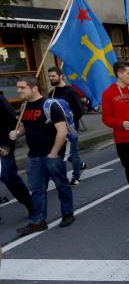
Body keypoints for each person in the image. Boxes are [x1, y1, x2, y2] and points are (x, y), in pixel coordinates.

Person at [12, 77, 75, 236]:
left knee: (61, 185)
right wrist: (17, 133)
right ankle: (38, 221)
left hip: (52, 155)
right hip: (33, 156)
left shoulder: (50, 106)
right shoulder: (25, 106)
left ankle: (68, 214)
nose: (19, 90)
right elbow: (25, 127)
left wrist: (53, 153)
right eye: (18, 88)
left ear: (34, 88)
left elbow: (62, 131)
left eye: (22, 87)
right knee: (37, 190)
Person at [102, 61, 129, 210]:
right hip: (122, 139)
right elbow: (106, 118)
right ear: (119, 74)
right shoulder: (108, 92)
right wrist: (122, 123)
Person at [47, 67, 86, 185]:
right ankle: (81, 165)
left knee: (73, 152)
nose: (51, 78)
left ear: (61, 75)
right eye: (49, 77)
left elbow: (79, 111)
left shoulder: (70, 91)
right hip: (57, 130)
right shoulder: (52, 93)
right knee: (63, 153)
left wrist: (70, 123)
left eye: (53, 76)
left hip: (71, 128)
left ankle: (76, 176)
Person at [0, 93, 33, 220]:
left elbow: (13, 122)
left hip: (2, 147)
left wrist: (7, 145)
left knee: (9, 177)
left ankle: (29, 204)